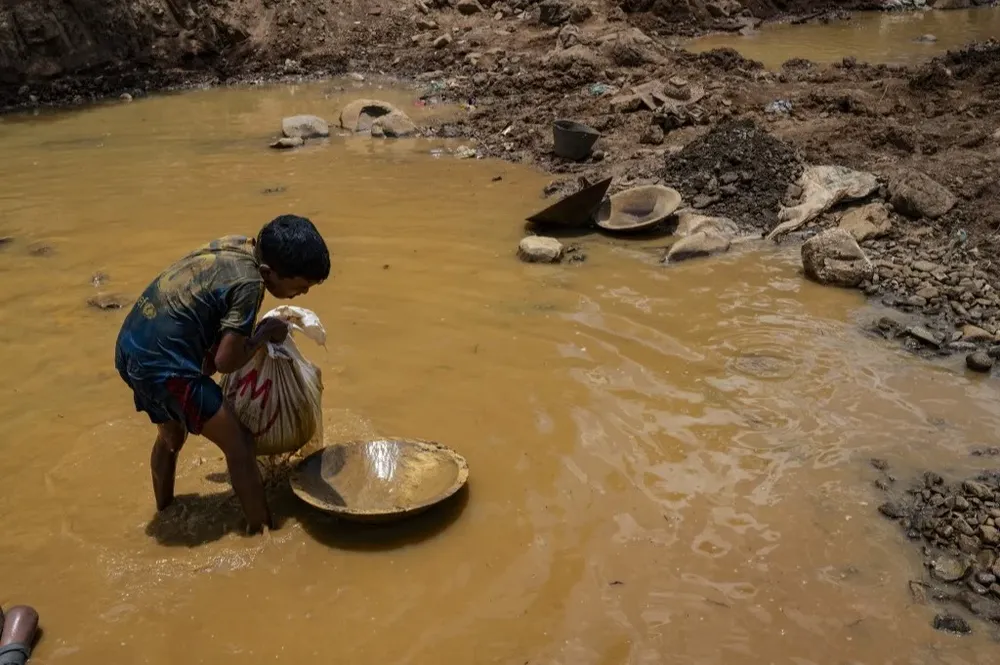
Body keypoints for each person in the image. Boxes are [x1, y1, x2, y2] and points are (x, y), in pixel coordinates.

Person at [115, 214, 330, 533]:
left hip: (133, 345)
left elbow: (206, 314)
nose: (303, 294)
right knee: (240, 444)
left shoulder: (239, 246)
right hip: (165, 365)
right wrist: (261, 335)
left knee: (172, 435)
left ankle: (166, 510)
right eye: (300, 287)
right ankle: (261, 533)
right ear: (270, 273)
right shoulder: (251, 285)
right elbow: (228, 360)